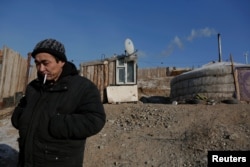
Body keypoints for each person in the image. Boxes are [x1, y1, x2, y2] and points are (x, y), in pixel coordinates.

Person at [11, 39, 106, 167]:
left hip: (59, 161)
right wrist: (20, 118)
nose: (41, 69)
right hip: (27, 160)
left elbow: (95, 119)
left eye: (46, 63)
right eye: (37, 63)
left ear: (61, 62)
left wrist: (57, 124)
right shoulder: (33, 87)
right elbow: (21, 108)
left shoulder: (82, 87)